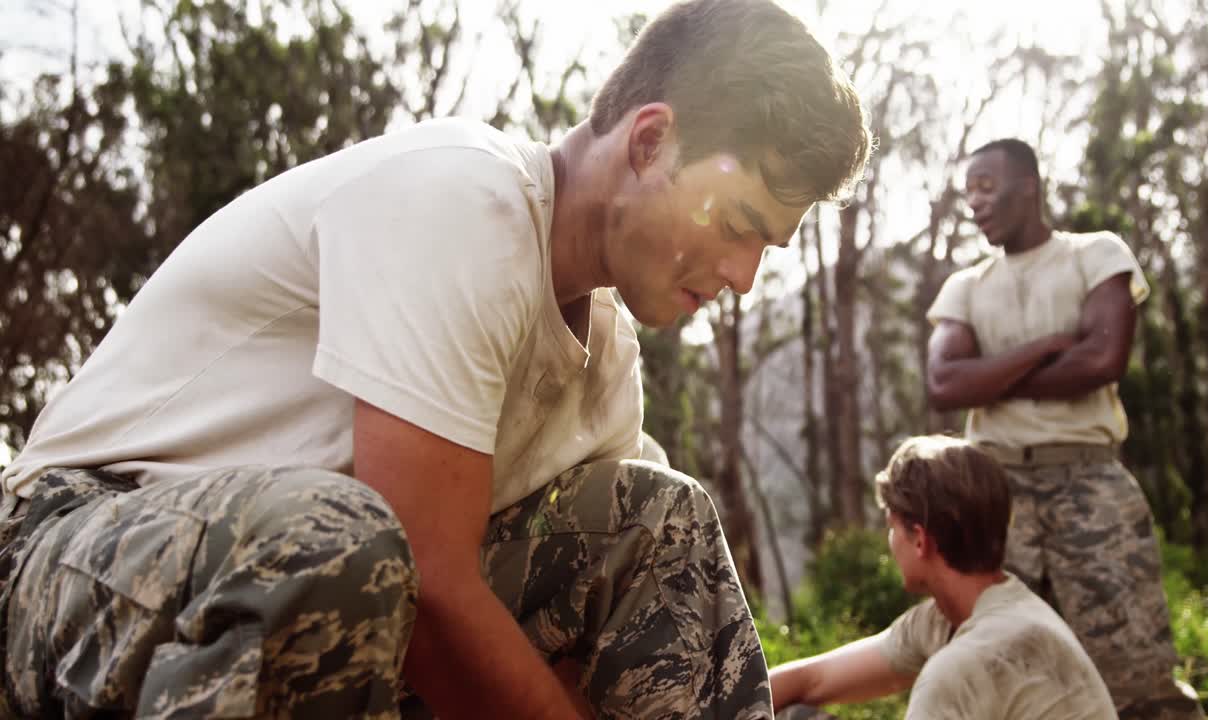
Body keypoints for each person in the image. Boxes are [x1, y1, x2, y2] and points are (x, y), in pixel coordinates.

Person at [0, 1, 872, 717]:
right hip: (70, 555)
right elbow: (426, 577)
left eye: (770, 249)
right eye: (736, 224)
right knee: (347, 545)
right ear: (649, 143)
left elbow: (588, 624)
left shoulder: (604, 361)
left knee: (661, 523)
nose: (744, 276)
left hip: (315, 602)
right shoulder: (461, 196)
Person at [923, 138, 1204, 719]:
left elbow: (1102, 360)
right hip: (994, 496)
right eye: (968, 190)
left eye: (987, 186)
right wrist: (1050, 348)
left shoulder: (1096, 255)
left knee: (1136, 674)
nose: (975, 202)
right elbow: (945, 385)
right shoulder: (966, 287)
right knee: (1000, 671)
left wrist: (992, 377)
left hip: (1090, 484)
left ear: (1029, 184)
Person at [769, 435, 1117, 719]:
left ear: (920, 539)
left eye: (892, 528)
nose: (889, 543)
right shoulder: (969, 615)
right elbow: (812, 681)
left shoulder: (964, 665)